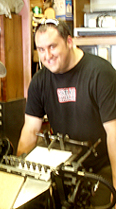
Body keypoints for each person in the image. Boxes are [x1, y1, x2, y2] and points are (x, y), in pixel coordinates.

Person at [17, 19, 116, 206]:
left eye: (52, 46)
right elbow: (30, 130)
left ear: (69, 42)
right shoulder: (39, 82)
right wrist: (18, 173)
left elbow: (114, 133)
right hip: (64, 170)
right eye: (41, 49)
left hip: (101, 169)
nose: (47, 56)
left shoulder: (100, 74)